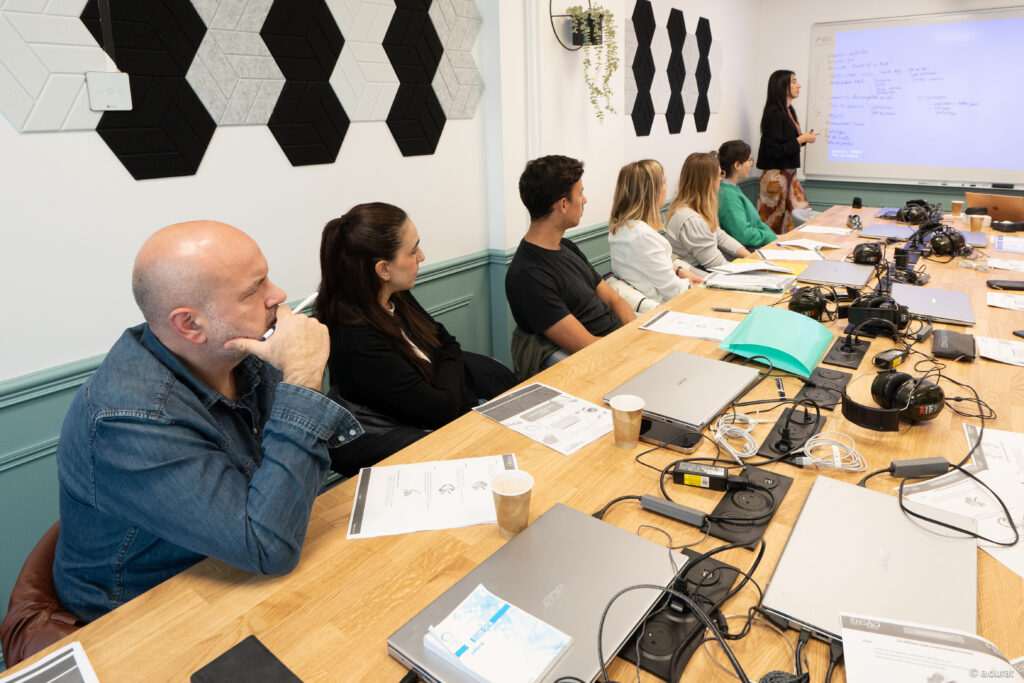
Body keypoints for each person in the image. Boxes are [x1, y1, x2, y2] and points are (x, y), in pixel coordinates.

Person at [53, 221, 361, 622]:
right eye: (253, 290)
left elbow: (282, 503)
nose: (278, 295)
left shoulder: (243, 353)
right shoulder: (128, 417)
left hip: (230, 564)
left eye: (266, 277)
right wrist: (302, 377)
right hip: (139, 614)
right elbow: (267, 547)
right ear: (189, 324)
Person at [316, 202, 516, 470]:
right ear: (383, 269)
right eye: (412, 251)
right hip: (429, 445)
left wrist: (446, 361)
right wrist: (448, 360)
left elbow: (446, 341)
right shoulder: (356, 341)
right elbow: (440, 409)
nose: (421, 256)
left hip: (461, 411)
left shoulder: (395, 296)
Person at [505, 155, 636, 375]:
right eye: (580, 193)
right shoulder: (527, 276)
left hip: (620, 343)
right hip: (600, 364)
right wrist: (633, 346)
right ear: (563, 204)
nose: (585, 200)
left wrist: (635, 334)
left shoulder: (566, 246)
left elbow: (614, 299)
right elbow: (588, 347)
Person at [608, 159, 703, 305]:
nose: (666, 186)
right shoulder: (642, 235)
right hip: (665, 307)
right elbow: (674, 291)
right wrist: (691, 284)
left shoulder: (621, 228)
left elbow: (650, 267)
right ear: (651, 192)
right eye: (664, 182)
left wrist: (679, 271)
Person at [665, 152, 752, 270]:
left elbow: (720, 236)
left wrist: (750, 257)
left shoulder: (695, 208)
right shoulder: (692, 220)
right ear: (709, 181)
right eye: (720, 175)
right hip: (698, 274)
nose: (721, 179)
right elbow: (716, 264)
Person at [756, 69, 818, 233]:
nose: (799, 85)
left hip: (789, 176)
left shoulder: (789, 111)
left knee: (796, 221)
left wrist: (804, 139)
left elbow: (788, 144)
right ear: (782, 86)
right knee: (774, 226)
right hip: (776, 178)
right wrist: (801, 139)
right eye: (794, 81)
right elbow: (774, 150)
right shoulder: (775, 114)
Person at [717, 140, 777, 250]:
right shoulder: (728, 196)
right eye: (749, 160)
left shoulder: (732, 189)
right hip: (750, 251)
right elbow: (743, 235)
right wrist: (769, 237)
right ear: (737, 165)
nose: (750, 164)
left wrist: (773, 237)